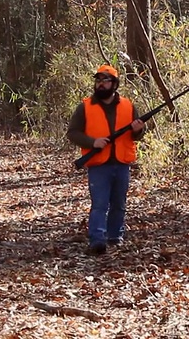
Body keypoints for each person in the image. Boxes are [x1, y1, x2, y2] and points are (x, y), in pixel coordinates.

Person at [67, 64, 146, 255]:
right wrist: (93, 142)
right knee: (100, 204)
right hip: (99, 164)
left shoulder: (128, 106)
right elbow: (72, 133)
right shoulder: (85, 107)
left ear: (114, 84)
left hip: (121, 163)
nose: (101, 84)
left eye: (105, 80)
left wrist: (139, 129)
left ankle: (115, 237)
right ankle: (97, 240)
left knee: (119, 203)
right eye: (98, 80)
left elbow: (138, 134)